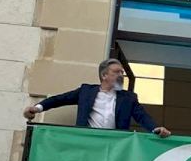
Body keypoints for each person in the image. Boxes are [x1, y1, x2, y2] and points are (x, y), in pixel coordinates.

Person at [23, 58, 171, 137]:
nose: (121, 75)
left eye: (122, 72)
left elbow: (142, 116)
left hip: (114, 145)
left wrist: (155, 129)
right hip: (88, 141)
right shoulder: (86, 91)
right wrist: (37, 108)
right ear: (104, 75)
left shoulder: (128, 98)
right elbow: (59, 99)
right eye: (117, 72)